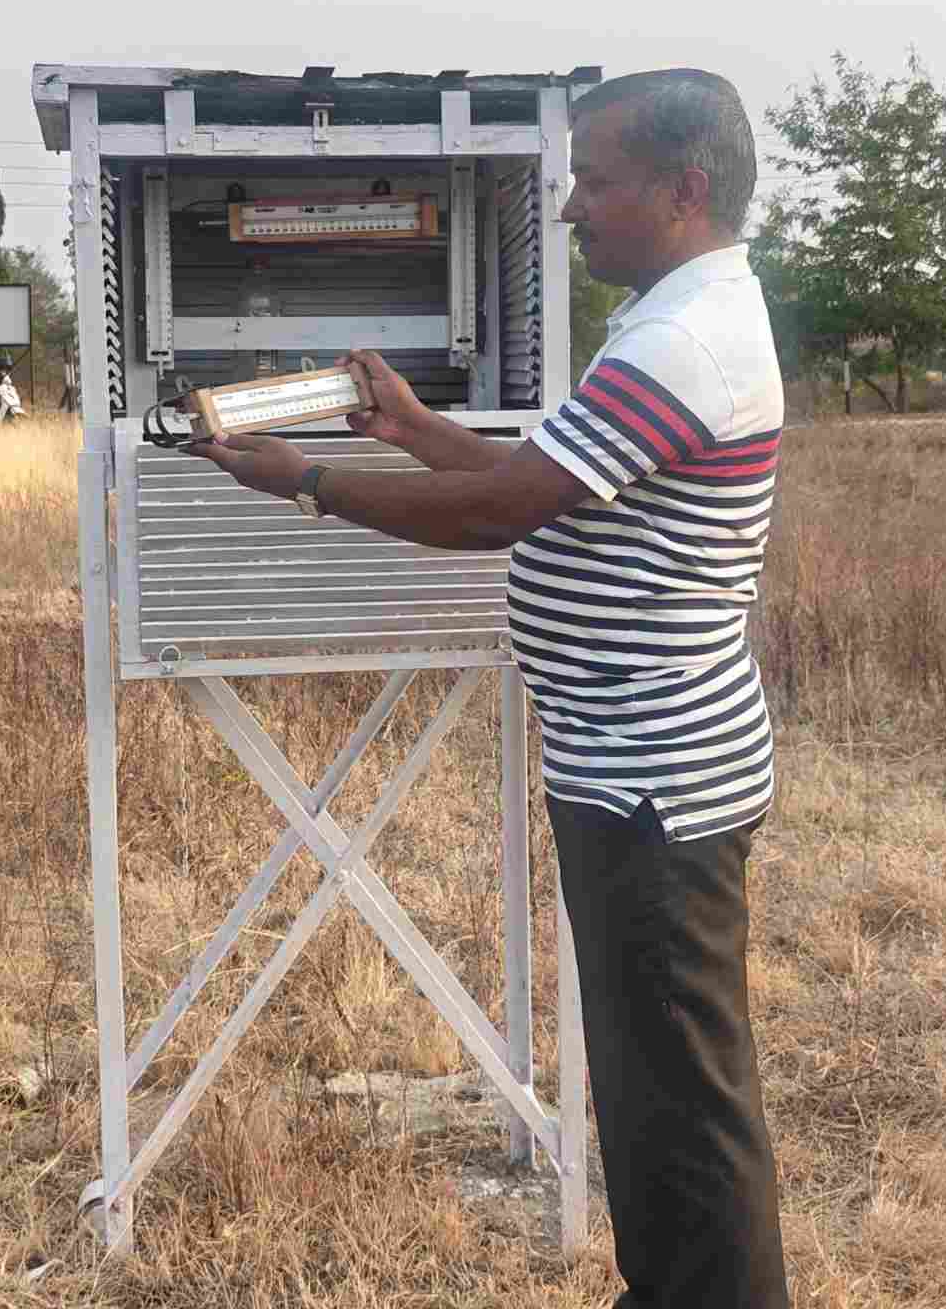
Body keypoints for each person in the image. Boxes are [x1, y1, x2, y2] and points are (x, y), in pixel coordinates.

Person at [185, 68, 789, 1308]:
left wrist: (308, 479)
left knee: (683, 1100)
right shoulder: (676, 323)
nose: (570, 209)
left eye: (597, 181)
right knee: (648, 1082)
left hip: (653, 781)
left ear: (682, 190)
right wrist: (407, 429)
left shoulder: (681, 339)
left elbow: (502, 510)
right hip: (635, 765)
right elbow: (551, 479)